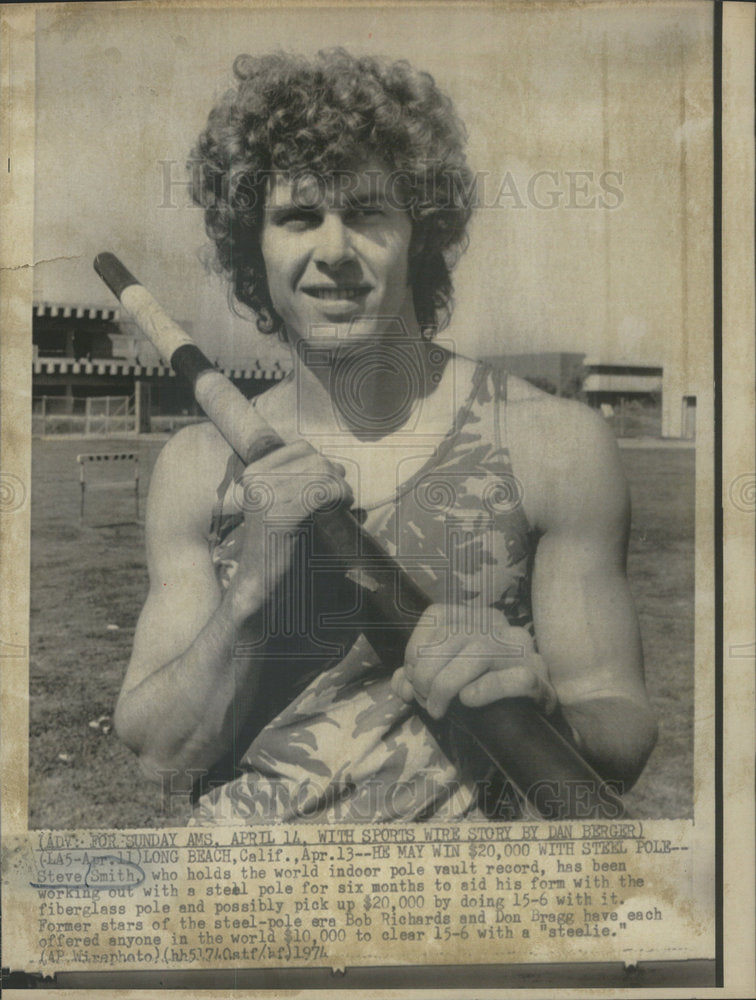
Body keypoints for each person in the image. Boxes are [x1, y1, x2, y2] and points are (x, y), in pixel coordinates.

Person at [114, 49, 657, 823]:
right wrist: (252, 589)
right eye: (298, 216)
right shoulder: (195, 466)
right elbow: (161, 755)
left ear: (421, 235)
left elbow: (622, 728)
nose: (334, 250)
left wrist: (547, 707)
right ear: (251, 248)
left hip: (447, 925)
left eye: (367, 211)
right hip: (238, 916)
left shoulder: (555, 444)